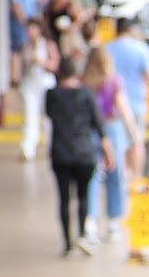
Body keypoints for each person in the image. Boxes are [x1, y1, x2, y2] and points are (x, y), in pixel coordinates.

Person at [46, 57, 113, 256]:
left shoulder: (52, 95)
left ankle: (67, 243)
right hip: (84, 152)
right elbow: (98, 125)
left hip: (60, 152)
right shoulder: (86, 94)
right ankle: (83, 235)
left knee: (64, 198)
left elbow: (50, 114)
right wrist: (108, 152)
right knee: (83, 197)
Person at [83, 46, 144, 242]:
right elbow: (124, 109)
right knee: (115, 175)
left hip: (90, 131)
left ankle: (89, 220)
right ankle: (113, 222)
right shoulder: (114, 82)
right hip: (111, 128)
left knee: (92, 176)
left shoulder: (85, 83)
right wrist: (134, 135)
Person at [107, 17, 149, 130]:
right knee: (136, 143)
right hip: (135, 104)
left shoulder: (106, 50)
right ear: (131, 30)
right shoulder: (142, 49)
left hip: (112, 107)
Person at [18, 19, 57, 161]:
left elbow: (55, 65)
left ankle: (51, 146)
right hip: (30, 84)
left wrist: (42, 63)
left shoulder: (47, 45)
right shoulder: (26, 47)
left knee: (48, 117)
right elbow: (23, 67)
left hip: (44, 83)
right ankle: (28, 148)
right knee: (30, 115)